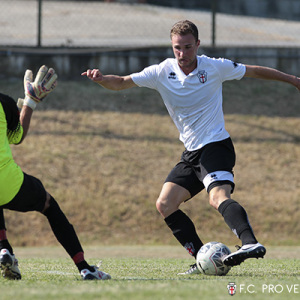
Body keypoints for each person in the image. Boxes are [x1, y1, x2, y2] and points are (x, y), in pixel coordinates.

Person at [82, 20, 300, 275]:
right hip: (191, 154)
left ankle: (250, 243)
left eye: (187, 47)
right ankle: (201, 260)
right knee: (165, 204)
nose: (183, 54)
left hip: (216, 145)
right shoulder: (162, 71)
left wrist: (294, 80)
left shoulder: (214, 67)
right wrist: (100, 79)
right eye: (177, 48)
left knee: (217, 197)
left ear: (197, 44)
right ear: (171, 47)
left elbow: (253, 71)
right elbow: (119, 82)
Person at [0, 65, 111, 280]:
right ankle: (84, 267)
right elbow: (17, 137)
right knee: (49, 205)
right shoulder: (3, 102)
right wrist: (30, 102)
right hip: (7, 182)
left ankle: (4, 250)